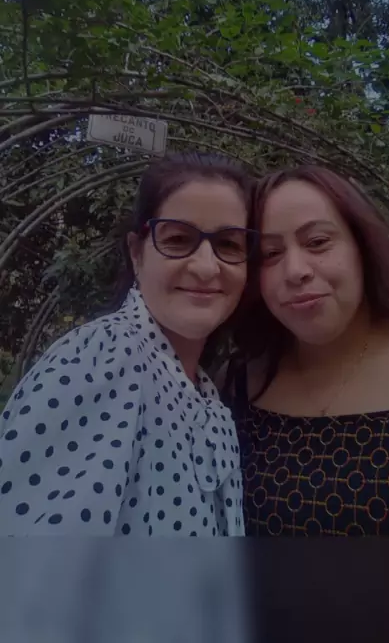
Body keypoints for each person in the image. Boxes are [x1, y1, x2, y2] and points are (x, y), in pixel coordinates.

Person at [0, 151, 258, 536]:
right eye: (178, 239)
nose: (207, 266)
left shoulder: (207, 394)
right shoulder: (102, 358)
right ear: (137, 253)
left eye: (229, 244)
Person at [224, 164, 389, 536]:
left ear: (362, 246)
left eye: (317, 242)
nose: (295, 270)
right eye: (270, 253)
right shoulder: (235, 384)